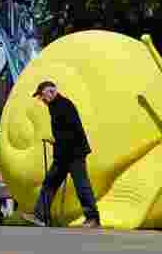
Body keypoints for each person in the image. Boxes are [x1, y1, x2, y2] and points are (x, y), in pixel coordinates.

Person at [23, 81, 101, 228]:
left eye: (42, 95)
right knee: (50, 183)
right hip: (64, 153)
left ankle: (93, 218)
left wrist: (57, 141)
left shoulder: (64, 105)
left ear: (51, 92)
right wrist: (56, 141)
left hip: (73, 152)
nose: (41, 99)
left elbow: (74, 129)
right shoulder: (55, 106)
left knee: (81, 185)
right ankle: (41, 216)